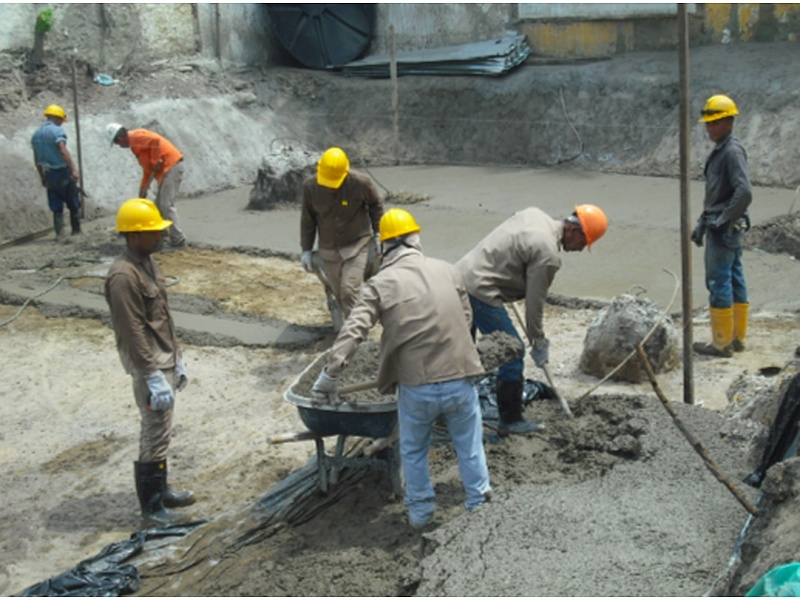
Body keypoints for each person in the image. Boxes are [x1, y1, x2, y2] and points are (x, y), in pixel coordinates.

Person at [312, 208, 491, 528]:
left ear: (382, 248)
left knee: (413, 450)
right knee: (469, 444)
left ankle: (421, 514)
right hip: (461, 379)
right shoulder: (448, 270)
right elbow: (465, 320)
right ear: (414, 240)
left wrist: (330, 374)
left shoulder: (379, 284)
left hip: (417, 386)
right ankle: (478, 505)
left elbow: (354, 331)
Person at [456, 205, 608, 435]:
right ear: (575, 231)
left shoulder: (534, 214)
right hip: (480, 291)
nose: (580, 249)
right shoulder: (548, 255)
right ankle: (511, 420)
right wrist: (538, 341)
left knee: (462, 351)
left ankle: (451, 407)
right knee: (513, 353)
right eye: (584, 243)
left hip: (459, 277)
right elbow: (534, 305)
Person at [104, 198, 195, 525]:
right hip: (150, 366)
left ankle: (163, 489)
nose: (160, 237)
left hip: (164, 359)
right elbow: (132, 331)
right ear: (133, 236)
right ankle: (153, 508)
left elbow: (162, 317)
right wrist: (152, 375)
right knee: (154, 433)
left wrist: (178, 358)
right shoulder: (123, 277)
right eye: (153, 233)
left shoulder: (147, 263)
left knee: (163, 431)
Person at [691, 94, 753, 358]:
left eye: (714, 123)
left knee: (719, 280)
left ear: (728, 122)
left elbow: (745, 192)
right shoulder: (723, 151)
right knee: (734, 277)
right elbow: (717, 195)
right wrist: (701, 223)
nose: (709, 128)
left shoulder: (731, 152)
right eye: (707, 124)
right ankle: (736, 338)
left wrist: (721, 219)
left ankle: (721, 343)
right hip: (724, 225)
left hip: (724, 228)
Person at [300, 147, 383, 325]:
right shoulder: (310, 187)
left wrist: (379, 233)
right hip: (329, 250)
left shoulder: (361, 183)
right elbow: (308, 220)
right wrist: (306, 249)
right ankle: (348, 329)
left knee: (349, 292)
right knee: (339, 294)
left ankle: (359, 338)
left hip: (356, 245)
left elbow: (375, 206)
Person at [106, 123, 187, 249]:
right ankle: (160, 235)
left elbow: (156, 141)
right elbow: (147, 169)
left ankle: (178, 239)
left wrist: (155, 160)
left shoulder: (136, 136)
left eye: (117, 143)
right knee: (158, 205)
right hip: (166, 171)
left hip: (172, 166)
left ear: (120, 138)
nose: (119, 146)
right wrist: (143, 189)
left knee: (166, 205)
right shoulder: (135, 146)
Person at [31, 103, 82, 241]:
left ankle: (60, 234)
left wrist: (42, 176)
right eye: (61, 121)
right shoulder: (57, 132)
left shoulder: (36, 135)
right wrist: (73, 169)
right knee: (72, 201)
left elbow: (36, 158)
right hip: (62, 171)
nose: (61, 124)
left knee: (55, 203)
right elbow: (62, 151)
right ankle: (76, 231)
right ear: (57, 118)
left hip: (49, 173)